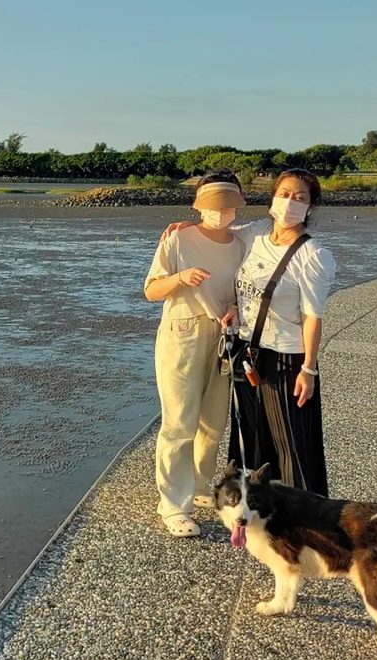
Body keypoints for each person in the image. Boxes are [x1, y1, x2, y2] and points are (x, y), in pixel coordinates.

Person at [161, 168, 337, 497]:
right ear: (272, 198)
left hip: (288, 357)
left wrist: (309, 368)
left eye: (300, 198)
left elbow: (313, 316)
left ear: (311, 207)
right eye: (284, 194)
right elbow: (216, 232)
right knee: (251, 437)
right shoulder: (255, 233)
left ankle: (306, 515)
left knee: (292, 443)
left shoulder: (314, 256)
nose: (290, 203)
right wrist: (186, 227)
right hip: (249, 351)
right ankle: (255, 506)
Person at [143, 170, 246, 537]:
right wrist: (180, 278)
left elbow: (243, 290)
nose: (221, 212)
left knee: (213, 423)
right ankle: (173, 504)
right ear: (198, 205)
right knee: (179, 422)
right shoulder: (178, 239)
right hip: (182, 334)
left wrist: (235, 308)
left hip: (222, 336)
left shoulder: (241, 243)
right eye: (213, 206)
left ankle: (200, 486)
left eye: (228, 206)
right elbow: (152, 290)